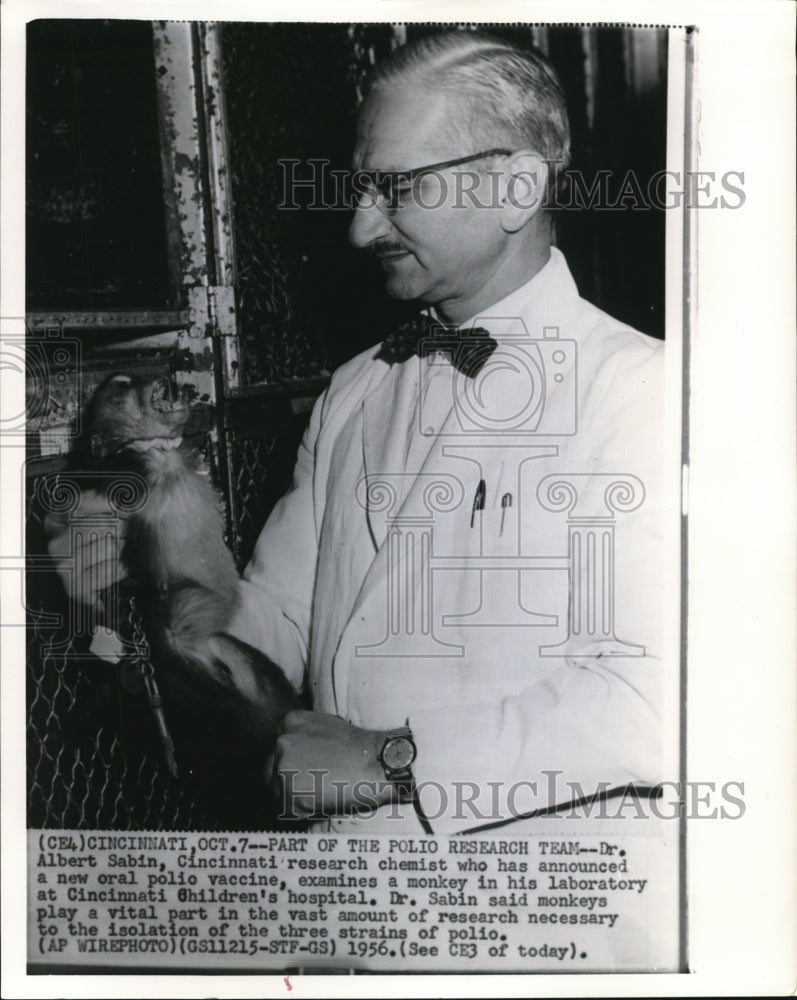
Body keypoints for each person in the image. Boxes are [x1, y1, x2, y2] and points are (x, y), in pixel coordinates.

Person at [49, 30, 668, 835]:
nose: (357, 227)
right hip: (352, 911)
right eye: (357, 188)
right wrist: (153, 573)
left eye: (394, 188)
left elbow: (664, 702)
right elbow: (272, 619)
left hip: (539, 929)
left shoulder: (647, 394)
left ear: (517, 187)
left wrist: (391, 761)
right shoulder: (354, 390)